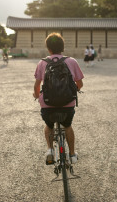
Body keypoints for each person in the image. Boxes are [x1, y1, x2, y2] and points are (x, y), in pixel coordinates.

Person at [33, 33, 84, 164]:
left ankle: (50, 150)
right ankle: (72, 155)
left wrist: (36, 95)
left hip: (48, 104)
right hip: (67, 103)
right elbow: (80, 83)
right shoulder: (72, 61)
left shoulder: (42, 63)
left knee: (49, 126)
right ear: (63, 47)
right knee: (67, 126)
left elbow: (37, 85)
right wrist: (76, 90)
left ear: (48, 49)